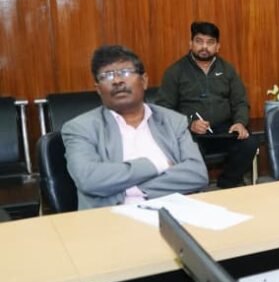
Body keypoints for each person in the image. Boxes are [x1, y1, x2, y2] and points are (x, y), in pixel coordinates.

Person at [63, 45, 208, 210]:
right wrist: (157, 164)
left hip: (175, 211)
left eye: (125, 72)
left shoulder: (173, 121)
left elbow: (197, 173)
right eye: (107, 75)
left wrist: (131, 189)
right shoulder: (80, 128)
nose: (117, 81)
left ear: (144, 81)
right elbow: (89, 179)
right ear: (98, 89)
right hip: (111, 217)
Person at [156, 21, 259, 189]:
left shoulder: (227, 69)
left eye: (210, 42)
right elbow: (164, 109)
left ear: (217, 47)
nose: (204, 47)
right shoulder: (175, 71)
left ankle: (227, 185)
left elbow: (240, 101)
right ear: (191, 44)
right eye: (199, 41)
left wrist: (240, 123)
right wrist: (189, 124)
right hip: (192, 134)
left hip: (224, 131)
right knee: (190, 150)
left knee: (249, 143)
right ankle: (197, 189)